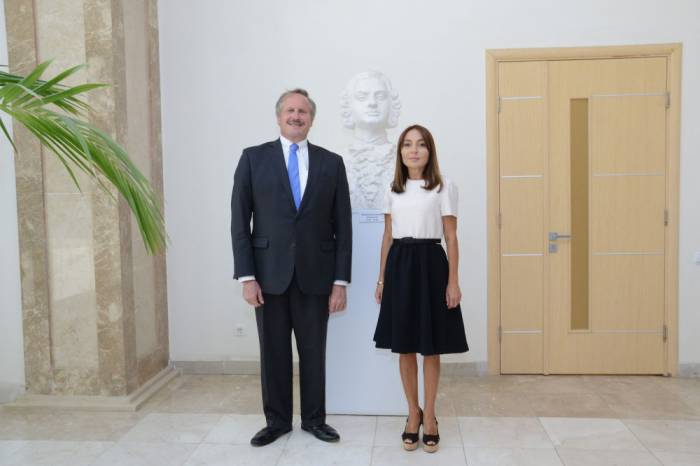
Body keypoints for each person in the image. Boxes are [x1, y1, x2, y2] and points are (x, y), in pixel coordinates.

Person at [231, 89, 352, 447]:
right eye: (290, 110)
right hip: (268, 277)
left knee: (314, 351)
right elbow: (240, 222)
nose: (296, 116)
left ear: (312, 119)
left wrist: (340, 280)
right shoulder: (253, 159)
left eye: (302, 111)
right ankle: (277, 421)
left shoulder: (332, 163)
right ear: (278, 116)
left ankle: (315, 420)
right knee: (274, 352)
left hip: (316, 275)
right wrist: (247, 276)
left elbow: (342, 226)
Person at [373, 124, 468, 453]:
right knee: (404, 346)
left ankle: (431, 416)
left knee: (430, 346)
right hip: (400, 265)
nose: (414, 150)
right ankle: (412, 413)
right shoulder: (392, 189)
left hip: (431, 264)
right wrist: (381, 278)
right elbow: (387, 236)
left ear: (430, 151)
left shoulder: (443, 187)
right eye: (408, 145)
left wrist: (453, 280)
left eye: (421, 144)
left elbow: (451, 237)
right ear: (400, 152)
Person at [340, 71, 401, 210]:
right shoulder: (334, 160)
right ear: (348, 105)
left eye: (380, 96)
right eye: (362, 97)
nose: (372, 103)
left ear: (392, 104)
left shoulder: (405, 160)